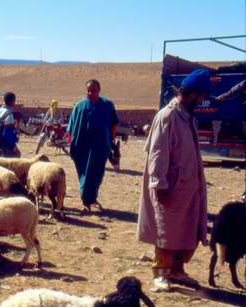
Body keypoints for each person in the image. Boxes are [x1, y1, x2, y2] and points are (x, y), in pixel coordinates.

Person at [137, 69, 211, 292]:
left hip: (188, 188)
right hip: (170, 187)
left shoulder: (188, 117)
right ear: (192, 93)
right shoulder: (167, 116)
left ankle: (177, 270)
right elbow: (158, 153)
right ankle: (161, 272)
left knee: (187, 228)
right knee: (167, 229)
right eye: (200, 96)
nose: (202, 101)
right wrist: (159, 185)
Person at [67, 79, 119, 213]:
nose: (90, 93)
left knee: (96, 174)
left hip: (100, 147)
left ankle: (91, 197)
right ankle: (86, 200)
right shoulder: (79, 106)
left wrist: (111, 141)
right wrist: (70, 141)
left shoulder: (107, 105)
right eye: (88, 90)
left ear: (99, 90)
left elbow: (114, 124)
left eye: (93, 90)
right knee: (84, 173)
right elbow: (71, 126)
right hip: (81, 147)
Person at [0, 92, 21, 157]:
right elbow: (8, 133)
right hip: (6, 144)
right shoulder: (9, 114)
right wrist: (13, 145)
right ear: (12, 101)